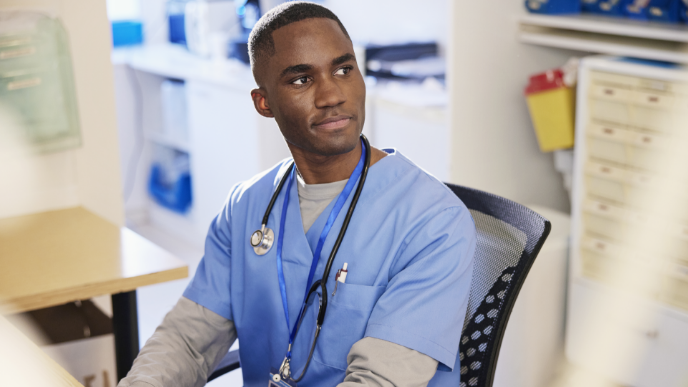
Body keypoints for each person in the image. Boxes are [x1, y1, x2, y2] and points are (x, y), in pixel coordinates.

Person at [118, 2, 476, 387]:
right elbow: (187, 341)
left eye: (343, 69)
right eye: (302, 80)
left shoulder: (434, 222)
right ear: (264, 103)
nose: (332, 94)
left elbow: (378, 381)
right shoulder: (246, 207)